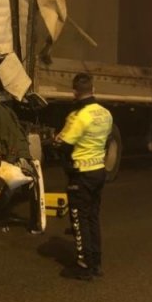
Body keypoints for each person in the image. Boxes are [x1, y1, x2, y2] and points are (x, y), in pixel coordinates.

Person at [54, 73, 113, 281]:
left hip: (81, 175)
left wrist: (58, 144)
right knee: (93, 218)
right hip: (99, 171)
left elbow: (64, 145)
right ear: (93, 89)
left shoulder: (80, 117)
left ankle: (84, 265)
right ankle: (96, 262)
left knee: (79, 220)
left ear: (75, 92)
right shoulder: (105, 114)